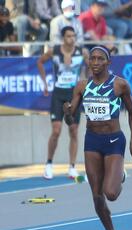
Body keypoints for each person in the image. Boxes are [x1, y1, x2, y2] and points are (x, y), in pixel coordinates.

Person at [63, 45, 132, 230]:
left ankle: (119, 175)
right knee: (97, 196)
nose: (95, 63)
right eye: (92, 59)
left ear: (108, 62)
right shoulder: (81, 86)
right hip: (92, 141)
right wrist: (68, 112)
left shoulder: (119, 85)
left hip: (114, 140)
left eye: (100, 59)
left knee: (111, 193)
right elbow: (71, 118)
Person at [37, 26, 89, 179]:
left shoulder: (82, 52)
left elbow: (91, 66)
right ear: (63, 38)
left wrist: (86, 81)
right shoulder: (54, 51)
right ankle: (48, 164)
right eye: (68, 36)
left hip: (74, 94)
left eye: (73, 36)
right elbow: (40, 62)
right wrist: (45, 84)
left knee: (73, 130)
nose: (71, 39)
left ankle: (72, 166)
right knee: (56, 130)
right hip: (58, 93)